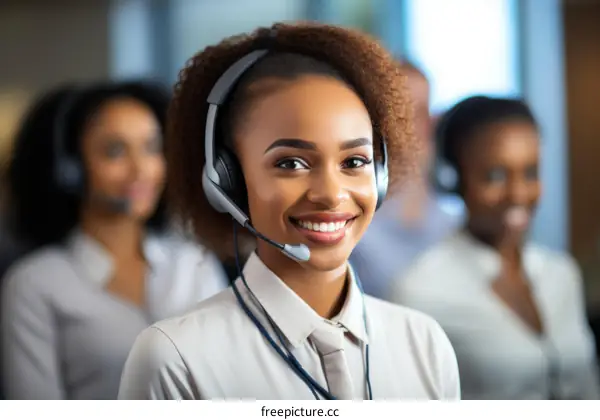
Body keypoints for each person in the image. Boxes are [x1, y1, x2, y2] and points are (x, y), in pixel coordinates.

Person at [117, 22, 460, 400]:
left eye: (355, 161)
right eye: (291, 163)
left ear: (379, 175)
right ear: (225, 179)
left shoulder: (425, 346)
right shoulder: (176, 359)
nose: (331, 194)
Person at [1, 81, 228, 400]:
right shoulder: (34, 284)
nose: (140, 169)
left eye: (152, 148)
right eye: (115, 151)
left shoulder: (195, 263)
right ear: (72, 168)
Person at [392, 95, 600, 399]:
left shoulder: (561, 273)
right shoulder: (419, 289)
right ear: (453, 179)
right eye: (495, 176)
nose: (518, 194)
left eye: (530, 173)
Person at [350, 59, 461, 300]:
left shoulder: (455, 221)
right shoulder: (353, 226)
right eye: (400, 113)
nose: (411, 128)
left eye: (421, 113)